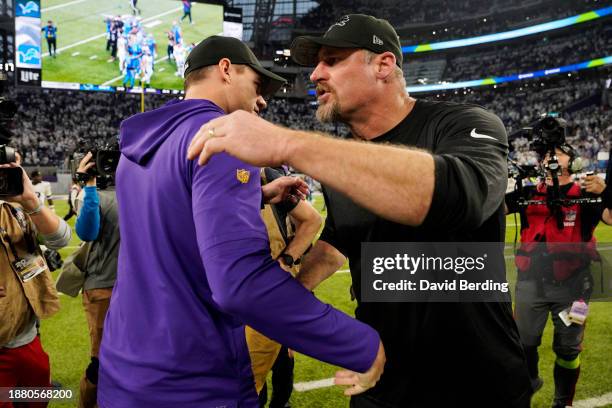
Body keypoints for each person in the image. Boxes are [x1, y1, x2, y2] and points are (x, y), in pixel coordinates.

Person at [187, 15, 532, 407]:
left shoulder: (464, 124)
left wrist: (290, 144)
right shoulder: (341, 160)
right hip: (380, 379)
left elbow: (460, 197)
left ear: (383, 65)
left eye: (332, 60)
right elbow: (343, 238)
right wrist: (285, 295)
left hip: (476, 380)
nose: (315, 73)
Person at [98, 35, 385, 408]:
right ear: (226, 70)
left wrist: (255, 195)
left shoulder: (138, 149)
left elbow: (171, 215)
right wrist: (360, 344)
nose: (263, 99)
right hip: (190, 375)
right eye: (257, 84)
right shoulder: (224, 141)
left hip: (126, 366)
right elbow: (240, 284)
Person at [506, 144, 612, 408]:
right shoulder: (527, 193)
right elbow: (489, 208)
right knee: (524, 342)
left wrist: (607, 192)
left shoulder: (586, 195)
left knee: (568, 348)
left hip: (576, 288)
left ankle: (563, 402)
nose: (551, 157)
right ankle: (530, 380)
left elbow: (611, 218)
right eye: (546, 153)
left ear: (574, 161)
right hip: (531, 284)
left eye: (559, 151)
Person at [0, 157, 71, 405]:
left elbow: (61, 239)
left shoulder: (15, 204)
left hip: (27, 337)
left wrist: (31, 201)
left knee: (36, 400)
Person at [249, 166, 322, 408]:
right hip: (236, 290)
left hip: (272, 289)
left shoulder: (268, 174)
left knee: (278, 361)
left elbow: (311, 221)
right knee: (249, 371)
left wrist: (287, 259)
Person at [73, 152, 120, 408]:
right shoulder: (133, 193)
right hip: (108, 288)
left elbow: (86, 232)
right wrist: (90, 188)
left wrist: (88, 186)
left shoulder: (130, 192)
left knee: (105, 361)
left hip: (112, 287)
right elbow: (87, 232)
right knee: (102, 362)